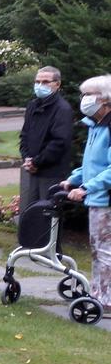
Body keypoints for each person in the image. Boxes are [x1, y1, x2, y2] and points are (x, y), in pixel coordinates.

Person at [61, 74, 111, 308]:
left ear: (105, 99)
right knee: (97, 250)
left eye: (89, 95)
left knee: (106, 251)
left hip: (106, 199)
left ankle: (107, 300)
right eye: (83, 94)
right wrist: (73, 179)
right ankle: (98, 293)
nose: (84, 99)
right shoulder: (95, 126)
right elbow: (92, 164)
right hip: (96, 198)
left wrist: (86, 188)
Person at [19, 65, 74, 209]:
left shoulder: (62, 109)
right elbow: (25, 135)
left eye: (45, 82)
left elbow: (59, 142)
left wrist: (36, 162)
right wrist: (26, 159)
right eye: (37, 82)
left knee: (47, 213)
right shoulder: (32, 106)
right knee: (30, 212)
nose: (40, 85)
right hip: (33, 171)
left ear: (57, 84)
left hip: (52, 173)